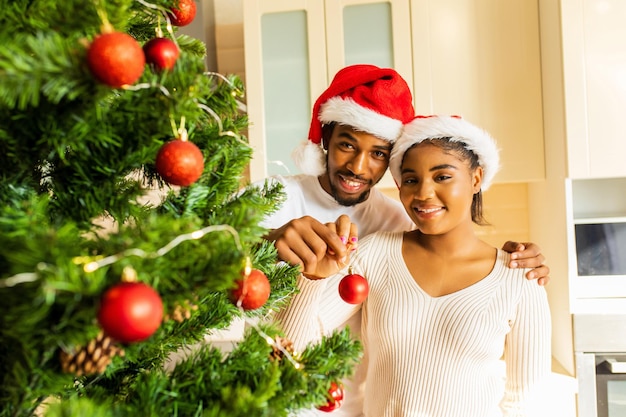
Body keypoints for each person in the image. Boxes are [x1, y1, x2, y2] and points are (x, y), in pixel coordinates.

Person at [259, 64, 550, 416]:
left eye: (442, 176)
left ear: (476, 178)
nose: (424, 193)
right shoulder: (374, 252)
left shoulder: (521, 279)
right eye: (410, 180)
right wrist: (312, 278)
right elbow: (290, 349)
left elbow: (526, 404)